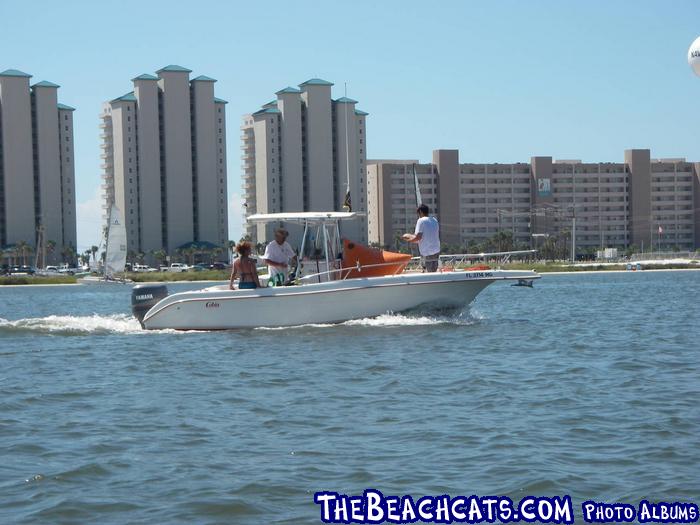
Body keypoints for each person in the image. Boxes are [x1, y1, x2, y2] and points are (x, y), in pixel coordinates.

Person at [402, 204, 441, 272]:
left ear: (420, 212)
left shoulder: (421, 221)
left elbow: (418, 238)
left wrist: (409, 240)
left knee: (428, 272)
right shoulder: (434, 220)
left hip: (427, 251)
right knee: (434, 272)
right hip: (436, 250)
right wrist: (411, 236)